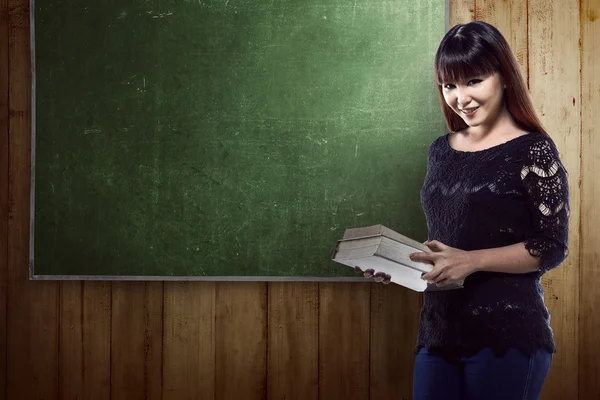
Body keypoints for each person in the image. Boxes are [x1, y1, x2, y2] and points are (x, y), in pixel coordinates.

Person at [356, 21, 570, 400]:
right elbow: (450, 243)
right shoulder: (440, 149)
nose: (460, 97)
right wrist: (401, 264)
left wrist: (471, 261)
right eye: (449, 85)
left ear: (503, 77)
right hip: (438, 332)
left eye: (473, 81)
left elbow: (551, 246)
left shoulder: (534, 150)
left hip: (507, 335)